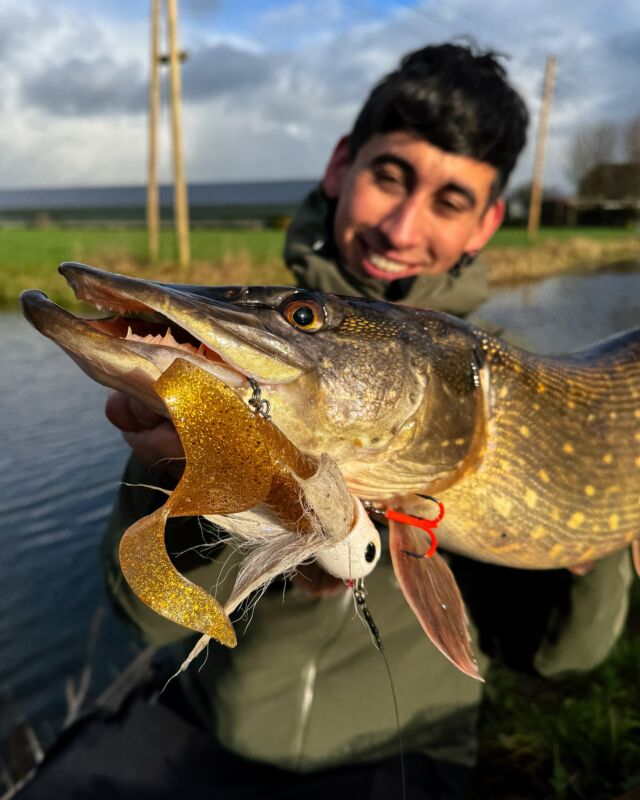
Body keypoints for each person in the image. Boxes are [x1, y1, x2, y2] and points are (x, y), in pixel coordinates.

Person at [20, 43, 632, 800]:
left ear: (486, 225)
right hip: (215, 723)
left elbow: (560, 657)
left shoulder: (507, 379)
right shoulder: (231, 381)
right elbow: (140, 618)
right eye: (390, 177)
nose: (403, 227)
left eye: (449, 201)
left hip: (405, 745)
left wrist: (606, 531)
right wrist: (198, 477)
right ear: (342, 166)